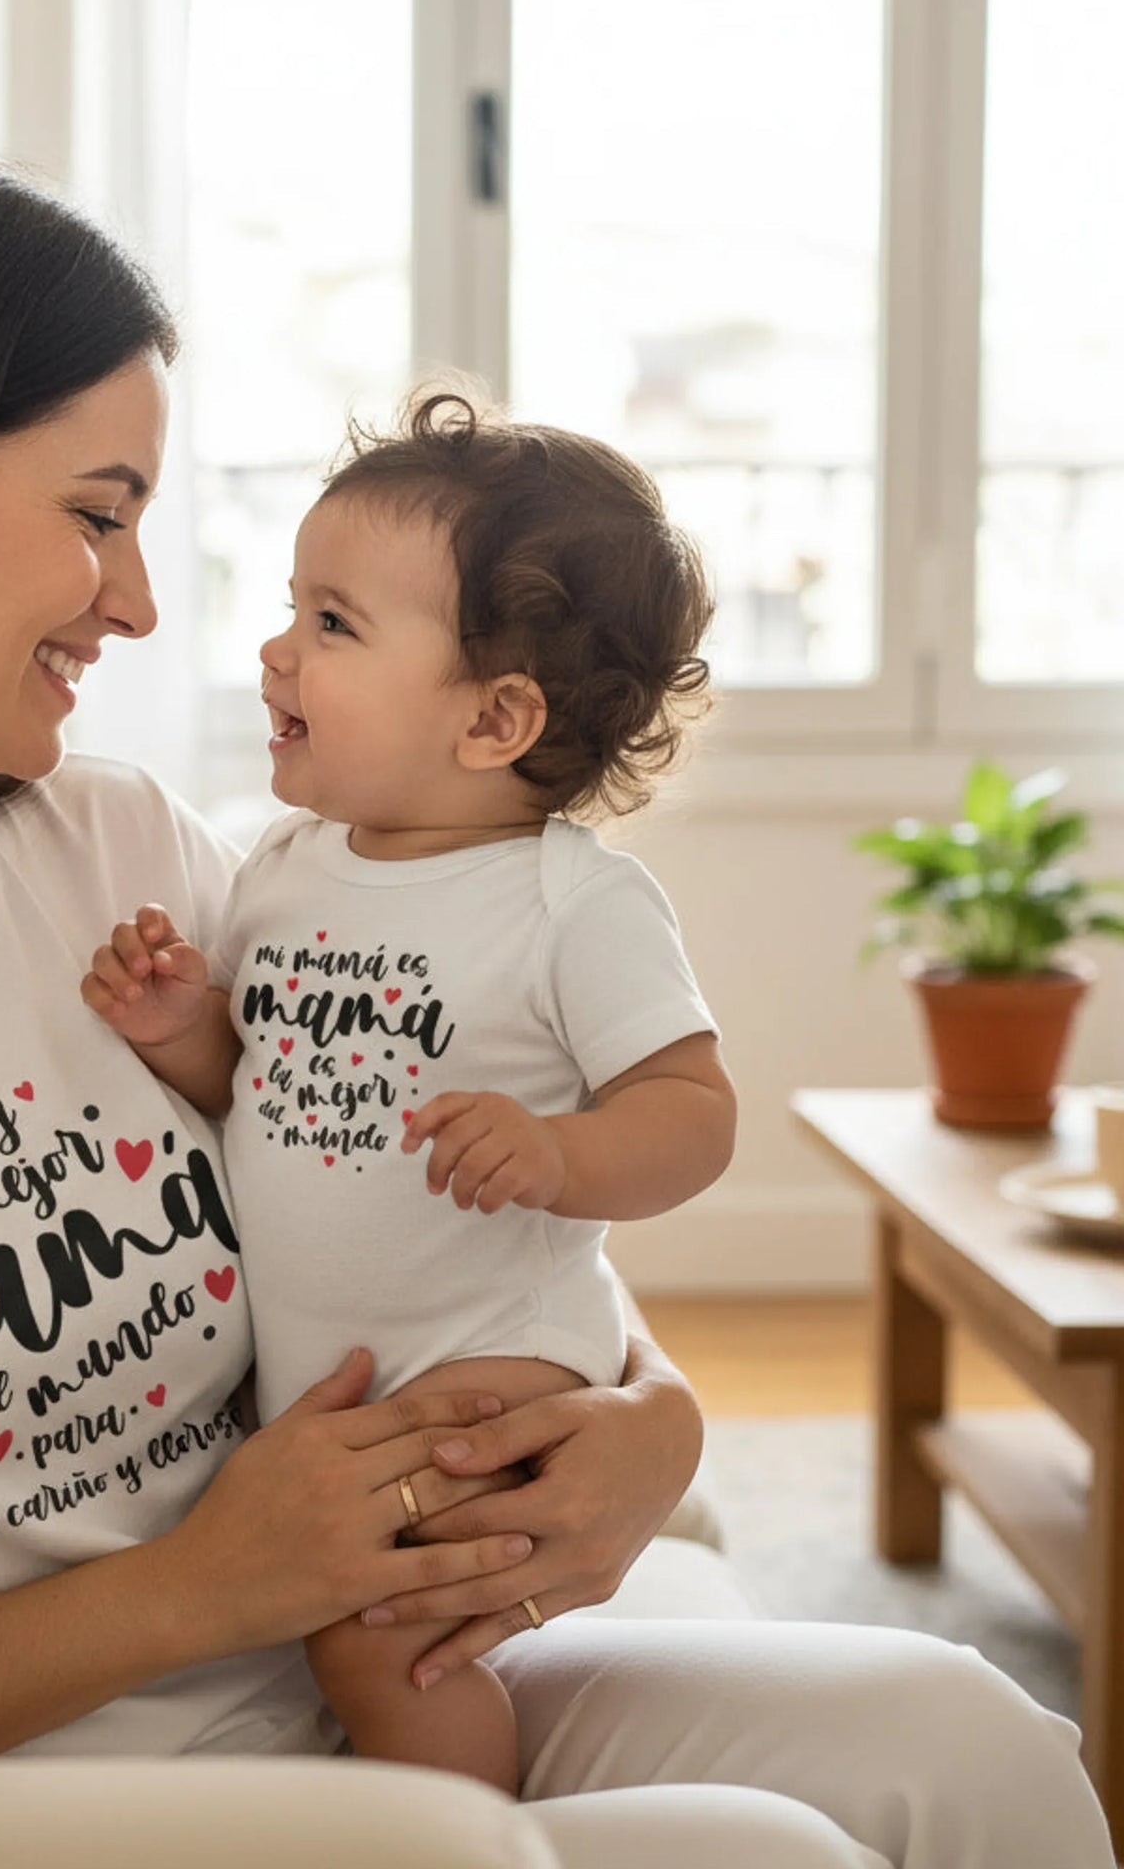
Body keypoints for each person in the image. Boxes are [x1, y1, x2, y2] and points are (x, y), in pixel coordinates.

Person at [0, 141, 1110, 1868]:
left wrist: (658, 1432)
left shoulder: (123, 855)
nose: (146, 605)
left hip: (343, 1675)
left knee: (967, 1740)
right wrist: (197, 1589)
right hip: (39, 1804)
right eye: (99, 515)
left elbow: (427, 1218)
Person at [80, 391, 736, 1795]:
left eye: (333, 625)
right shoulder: (283, 869)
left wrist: (559, 1156)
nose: (275, 650)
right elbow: (251, 1081)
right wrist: (173, 1025)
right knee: (346, 1621)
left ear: (496, 718)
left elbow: (693, 1112)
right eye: (291, 608)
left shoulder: (573, 903)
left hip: (484, 1358)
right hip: (329, 1376)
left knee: (383, 1643)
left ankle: (467, 1827)